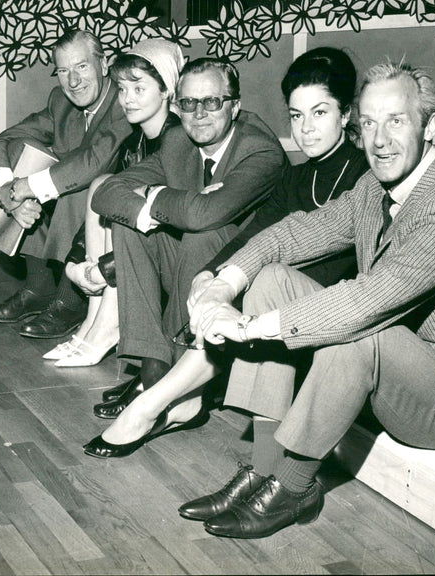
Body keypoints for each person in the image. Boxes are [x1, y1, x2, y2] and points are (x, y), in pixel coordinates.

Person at [179, 60, 435, 539]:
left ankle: (295, 488)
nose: (379, 141)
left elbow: (365, 303)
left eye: (396, 121)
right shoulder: (373, 186)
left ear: (430, 127)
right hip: (401, 361)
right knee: (272, 277)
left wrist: (250, 328)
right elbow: (295, 234)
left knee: (355, 332)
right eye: (370, 124)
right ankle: (262, 466)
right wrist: (222, 283)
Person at [82, 47, 369, 456]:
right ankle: (264, 470)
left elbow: (329, 262)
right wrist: (213, 274)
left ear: (346, 115)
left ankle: (151, 405)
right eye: (296, 115)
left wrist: (235, 282)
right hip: (272, 305)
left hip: (322, 313)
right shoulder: (300, 176)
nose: (306, 129)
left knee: (261, 286)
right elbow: (258, 234)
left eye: (320, 113)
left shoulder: (362, 176)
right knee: (253, 287)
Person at [86, 57, 288, 415]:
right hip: (189, 269)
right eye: (188, 104)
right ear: (177, 107)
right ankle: (153, 367)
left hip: (242, 281)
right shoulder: (179, 140)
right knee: (129, 224)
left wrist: (152, 194)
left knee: (201, 232)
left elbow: (204, 215)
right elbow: (106, 194)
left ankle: (183, 378)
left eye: (212, 102)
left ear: (235, 106)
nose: (199, 114)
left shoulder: (260, 150)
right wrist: (149, 202)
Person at [40, 38, 184, 367]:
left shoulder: (177, 139)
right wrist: (80, 263)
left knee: (114, 189)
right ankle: (93, 323)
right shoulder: (135, 141)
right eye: (122, 89)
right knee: (103, 184)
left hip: (169, 266)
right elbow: (101, 211)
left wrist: (102, 271)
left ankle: (108, 326)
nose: (127, 100)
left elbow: (169, 229)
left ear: (166, 90)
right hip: (126, 264)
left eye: (138, 89)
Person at [0, 30, 129, 337]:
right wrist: (8, 191)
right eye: (63, 71)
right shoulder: (61, 100)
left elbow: (94, 161)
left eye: (82, 67)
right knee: (25, 151)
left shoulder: (124, 101)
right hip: (82, 191)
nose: (73, 81)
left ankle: (70, 301)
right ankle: (39, 289)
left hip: (125, 201)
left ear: (104, 65)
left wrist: (25, 187)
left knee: (80, 183)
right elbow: (2, 141)